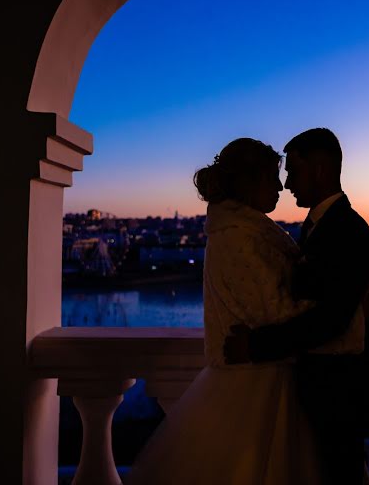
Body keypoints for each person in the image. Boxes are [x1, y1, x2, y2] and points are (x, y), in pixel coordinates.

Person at [126, 137, 329, 484]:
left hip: (254, 382)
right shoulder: (240, 239)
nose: (281, 186)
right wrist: (339, 302)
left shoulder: (243, 233)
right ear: (248, 184)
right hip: (260, 389)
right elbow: (278, 315)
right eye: (271, 178)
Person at [224, 128, 369, 485]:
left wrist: (254, 345)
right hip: (321, 391)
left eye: (293, 170)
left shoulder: (348, 233)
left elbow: (329, 321)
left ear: (321, 169)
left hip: (338, 396)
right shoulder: (319, 227)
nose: (287, 182)